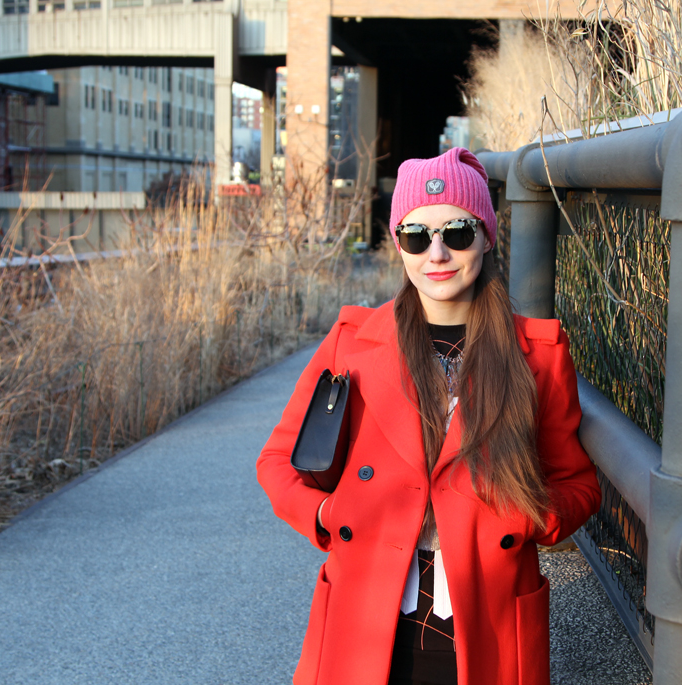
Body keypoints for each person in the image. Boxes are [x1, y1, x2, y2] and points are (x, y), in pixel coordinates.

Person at [257, 147, 601, 685]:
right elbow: (278, 461)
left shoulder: (537, 355)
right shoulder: (353, 344)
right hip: (365, 617)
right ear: (399, 244)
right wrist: (324, 513)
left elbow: (577, 484)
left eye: (457, 232)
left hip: (487, 618)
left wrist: (528, 518)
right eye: (416, 236)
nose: (436, 253)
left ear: (486, 236)